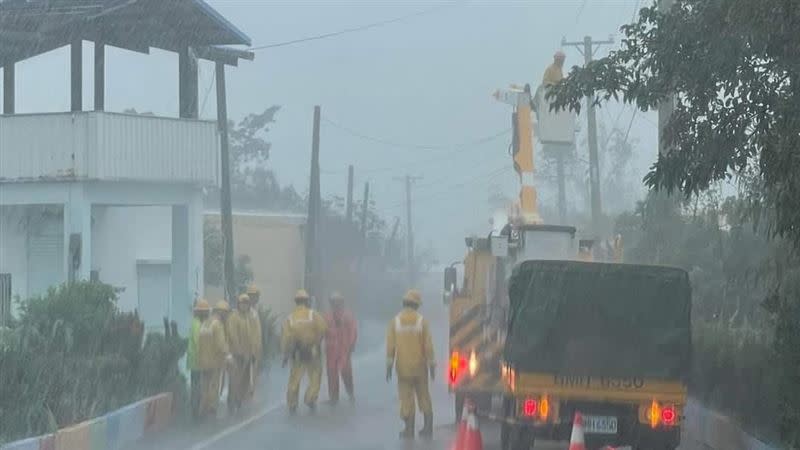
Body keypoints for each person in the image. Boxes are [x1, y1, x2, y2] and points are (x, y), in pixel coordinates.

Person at [386, 289, 436, 439]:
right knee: (424, 396)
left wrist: (388, 367)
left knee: (406, 398)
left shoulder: (395, 321)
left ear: (404, 303)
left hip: (403, 368)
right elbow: (428, 346)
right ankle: (428, 427)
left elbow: (390, 347)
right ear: (416, 305)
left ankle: (409, 430)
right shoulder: (422, 321)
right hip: (420, 368)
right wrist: (432, 365)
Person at [282, 289, 328, 414]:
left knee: (294, 379)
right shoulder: (313, 314)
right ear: (307, 301)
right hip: (312, 350)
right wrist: (317, 343)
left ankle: (292, 403)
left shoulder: (290, 318)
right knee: (315, 377)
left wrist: (286, 355)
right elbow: (323, 329)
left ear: (296, 302)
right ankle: (310, 399)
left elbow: (286, 338)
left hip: (297, 352)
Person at [198, 299, 233, 419]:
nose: (227, 316)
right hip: (214, 361)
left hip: (203, 361)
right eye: (226, 313)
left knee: (204, 387)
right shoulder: (217, 324)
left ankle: (203, 409)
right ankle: (212, 409)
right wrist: (228, 356)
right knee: (214, 386)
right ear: (221, 312)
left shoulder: (206, 323)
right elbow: (220, 343)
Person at [226, 293, 259, 414]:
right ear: (238, 304)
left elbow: (254, 337)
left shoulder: (249, 317)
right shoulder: (234, 317)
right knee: (234, 378)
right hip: (236, 355)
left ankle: (239, 399)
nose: (244, 306)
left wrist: (254, 352)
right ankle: (232, 400)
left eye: (246, 303)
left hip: (248, 355)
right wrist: (239, 351)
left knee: (244, 379)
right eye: (242, 303)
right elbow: (232, 335)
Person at [324, 291, 357, 405]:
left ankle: (351, 394)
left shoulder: (347, 315)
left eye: (337, 302)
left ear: (341, 302)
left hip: (344, 349)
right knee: (331, 374)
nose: (335, 304)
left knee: (346, 373)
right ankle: (333, 397)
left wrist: (352, 345)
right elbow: (322, 330)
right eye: (333, 302)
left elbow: (353, 331)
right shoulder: (327, 316)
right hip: (331, 350)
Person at [187, 299, 208, 420]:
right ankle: (195, 412)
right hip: (197, 362)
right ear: (200, 312)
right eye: (204, 312)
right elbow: (199, 342)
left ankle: (196, 411)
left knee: (198, 387)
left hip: (196, 361)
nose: (206, 314)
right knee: (197, 387)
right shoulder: (197, 324)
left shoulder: (198, 322)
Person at [245, 284, 264, 401]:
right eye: (254, 296)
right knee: (247, 374)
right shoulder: (247, 312)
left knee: (253, 373)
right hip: (249, 349)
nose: (256, 298)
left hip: (256, 349)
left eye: (257, 296)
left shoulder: (253, 311)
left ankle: (249, 395)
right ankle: (245, 396)